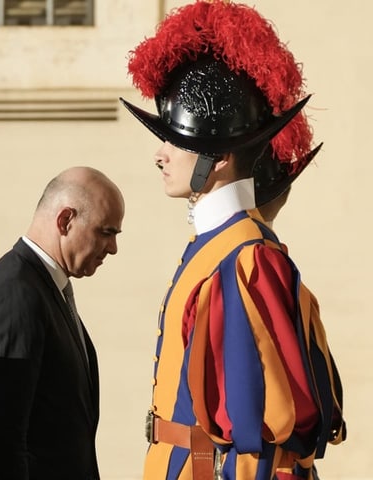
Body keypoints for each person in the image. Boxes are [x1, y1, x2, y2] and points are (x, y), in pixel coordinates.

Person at [119, 2, 345, 479]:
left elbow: (263, 431)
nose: (160, 155)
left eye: (174, 140)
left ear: (218, 156)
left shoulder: (247, 261)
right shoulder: (219, 248)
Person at [0, 166, 125, 480]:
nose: (112, 248)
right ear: (65, 220)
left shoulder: (41, 287)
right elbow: (0, 432)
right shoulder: (17, 292)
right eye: (106, 231)